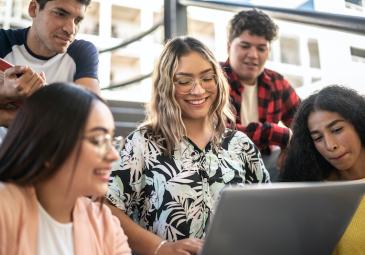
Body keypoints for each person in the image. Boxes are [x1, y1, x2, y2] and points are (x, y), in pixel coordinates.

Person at [106, 36, 270, 255]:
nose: (198, 90)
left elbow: (269, 208)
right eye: (184, 81)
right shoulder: (143, 142)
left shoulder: (240, 145)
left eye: (207, 78)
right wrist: (161, 248)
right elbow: (108, 207)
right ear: (166, 86)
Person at [0, 83, 131, 255]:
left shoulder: (105, 224)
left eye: (112, 140)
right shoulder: (4, 211)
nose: (114, 155)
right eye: (98, 140)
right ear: (49, 148)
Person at [280, 85, 365, 254]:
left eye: (337, 130)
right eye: (317, 138)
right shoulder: (314, 195)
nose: (330, 145)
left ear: (359, 123)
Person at [221, 9, 300, 180]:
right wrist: (281, 135)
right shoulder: (213, 78)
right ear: (229, 46)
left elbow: (306, 124)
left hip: (265, 163)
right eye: (245, 46)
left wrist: (292, 145)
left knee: (300, 158)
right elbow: (220, 132)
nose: (253, 55)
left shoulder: (277, 83)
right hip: (222, 163)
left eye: (261, 48)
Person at [0, 0, 100, 128]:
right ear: (33, 8)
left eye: (77, 21)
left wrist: (7, 117)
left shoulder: (82, 51)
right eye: (60, 14)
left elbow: (93, 116)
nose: (71, 29)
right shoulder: (2, 42)